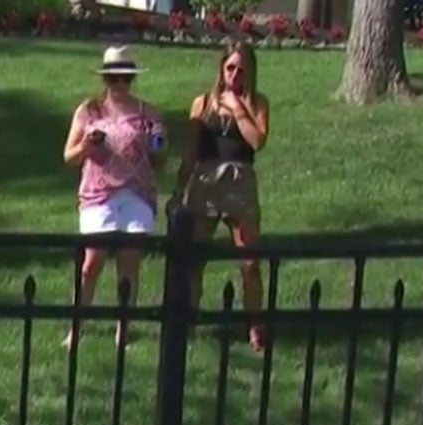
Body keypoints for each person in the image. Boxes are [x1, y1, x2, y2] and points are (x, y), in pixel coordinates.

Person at [61, 45, 166, 351]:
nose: (119, 85)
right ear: (105, 80)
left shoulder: (149, 114)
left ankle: (124, 328)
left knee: (128, 260)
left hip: (136, 193)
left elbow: (159, 159)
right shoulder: (89, 111)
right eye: (113, 79)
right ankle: (76, 327)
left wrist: (156, 145)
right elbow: (69, 156)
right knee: (91, 262)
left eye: (125, 78)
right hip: (98, 194)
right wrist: (87, 146)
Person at [177, 40, 271, 353]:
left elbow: (257, 141)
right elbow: (190, 151)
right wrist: (179, 189)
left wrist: (237, 108)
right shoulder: (202, 104)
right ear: (221, 69)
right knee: (196, 257)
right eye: (230, 67)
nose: (234, 74)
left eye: (241, 69)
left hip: (240, 181)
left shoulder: (257, 103)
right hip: (206, 180)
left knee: (249, 260)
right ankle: (188, 316)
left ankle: (255, 325)